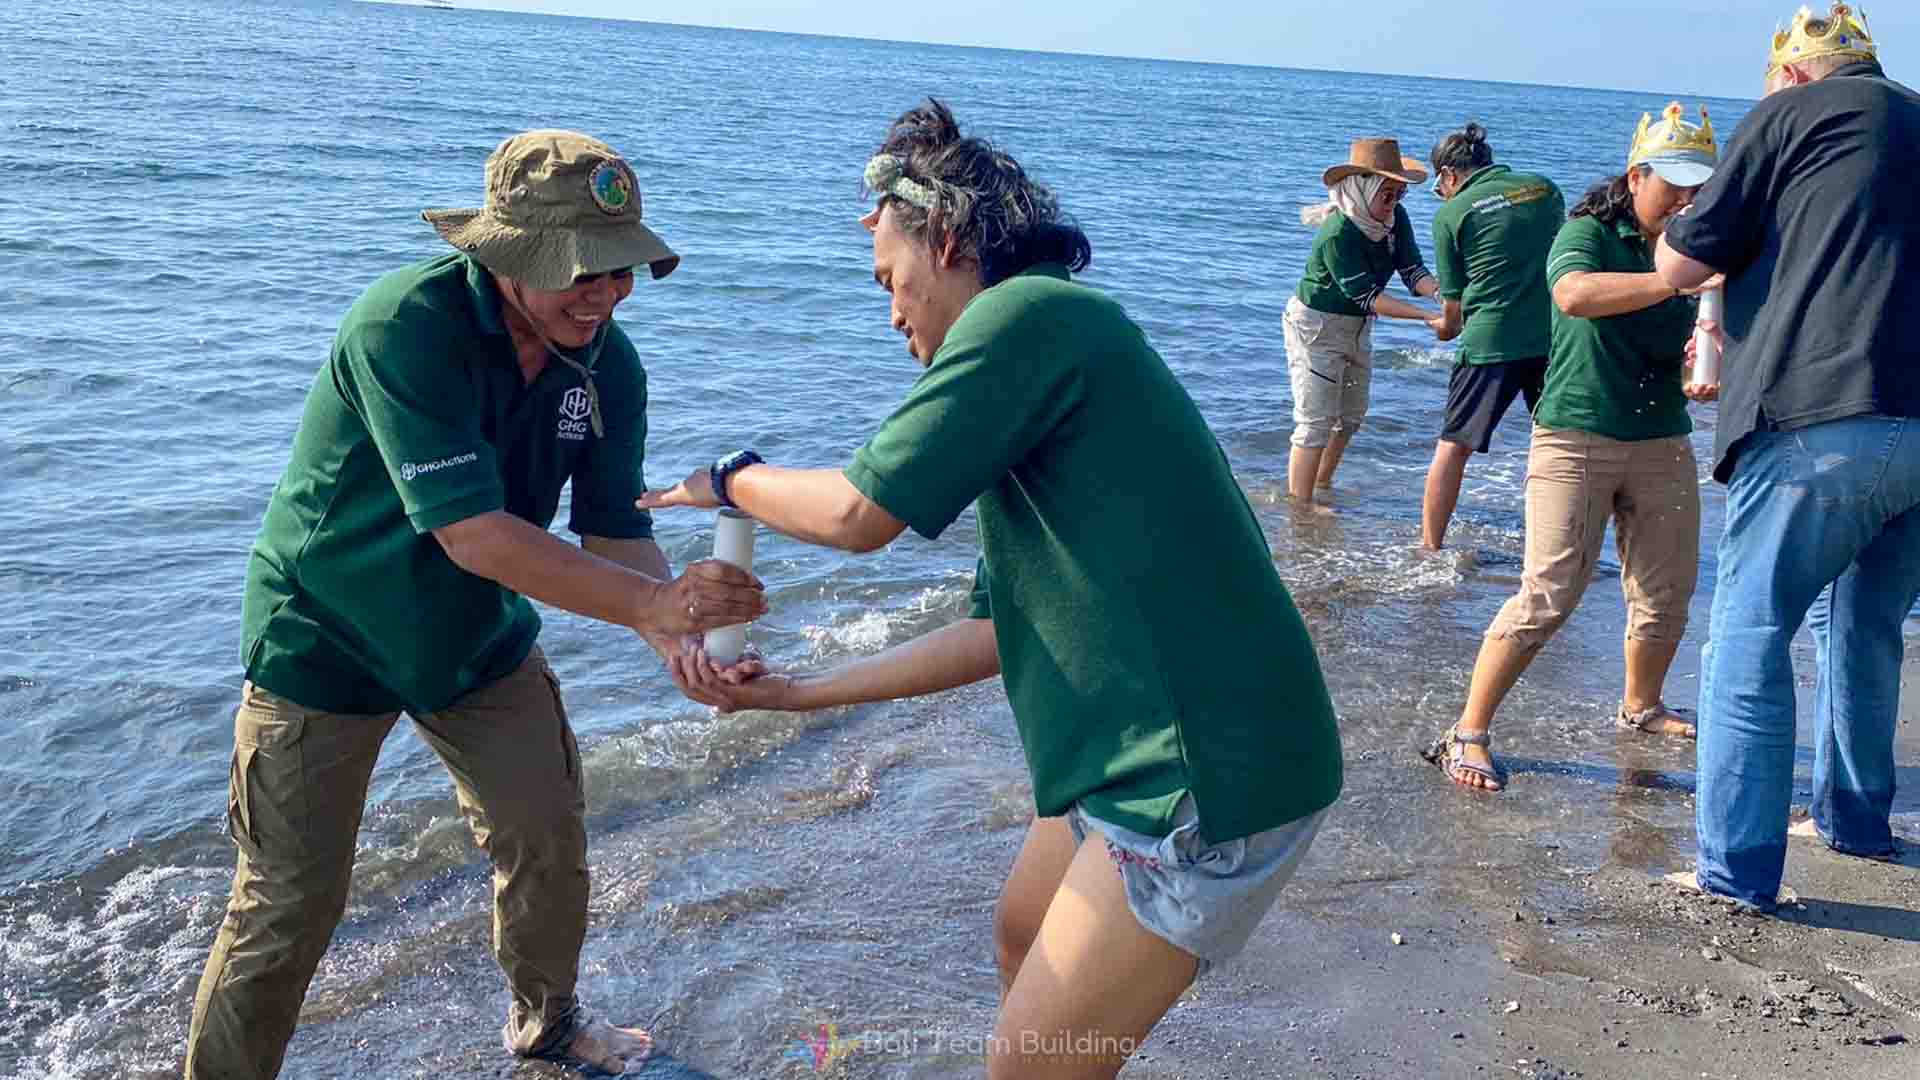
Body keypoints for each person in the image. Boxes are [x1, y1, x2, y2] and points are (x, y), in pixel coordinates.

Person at [642, 100, 1342, 1080]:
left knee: (1028, 1066)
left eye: (891, 279)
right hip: (1132, 753)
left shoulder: (1032, 316)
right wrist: (791, 694)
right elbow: (992, 633)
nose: (892, 314)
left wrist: (730, 480)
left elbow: (857, 517)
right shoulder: (1046, 359)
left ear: (948, 236)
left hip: (1202, 771)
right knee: (1022, 933)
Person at [184, 131, 768, 1078]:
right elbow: (475, 533)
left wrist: (682, 636)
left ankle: (549, 1023)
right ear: (506, 253)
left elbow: (613, 528)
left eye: (621, 269)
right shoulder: (403, 328)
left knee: (546, 827)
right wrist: (652, 607)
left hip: (477, 635)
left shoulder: (606, 365)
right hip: (326, 636)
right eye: (582, 269)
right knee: (289, 900)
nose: (606, 294)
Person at [1656, 3, 1920, 911]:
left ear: (1794, 74)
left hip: (1818, 418)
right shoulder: (1914, 115)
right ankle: (1856, 822)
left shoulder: (1790, 113)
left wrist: (1677, 234)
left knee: (1748, 635)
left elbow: (1682, 266)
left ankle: (1735, 871)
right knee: (1865, 629)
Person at [1423, 104, 1720, 792]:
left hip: (1660, 437)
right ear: (1635, 174)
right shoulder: (1586, 232)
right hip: (1574, 436)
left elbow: (1690, 335)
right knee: (1548, 594)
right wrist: (1672, 281)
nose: (1686, 198)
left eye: (1698, 185)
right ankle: (1466, 731)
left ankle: (1640, 707)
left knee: (1666, 593)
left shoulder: (1694, 248)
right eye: (1673, 182)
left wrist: (1705, 367)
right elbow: (1574, 295)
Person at [1421, 123, 1566, 550]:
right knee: (1558, 443)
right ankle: (1557, 545)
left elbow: (1453, 312)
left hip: (1490, 344)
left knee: (1453, 447)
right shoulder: (1543, 188)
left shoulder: (1451, 214)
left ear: (1448, 175)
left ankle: (1429, 547)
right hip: (1553, 339)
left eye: (1440, 186)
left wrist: (1443, 330)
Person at [1286, 138, 1441, 504]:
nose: (1394, 202)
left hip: (1358, 325)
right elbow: (1368, 296)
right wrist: (1426, 318)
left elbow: (1412, 269)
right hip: (1316, 326)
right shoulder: (1338, 232)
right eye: (1387, 193)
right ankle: (1301, 508)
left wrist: (1441, 295)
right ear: (1362, 187)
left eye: (1399, 194)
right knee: (1314, 424)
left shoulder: (1394, 220)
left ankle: (1322, 487)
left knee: (1351, 418)